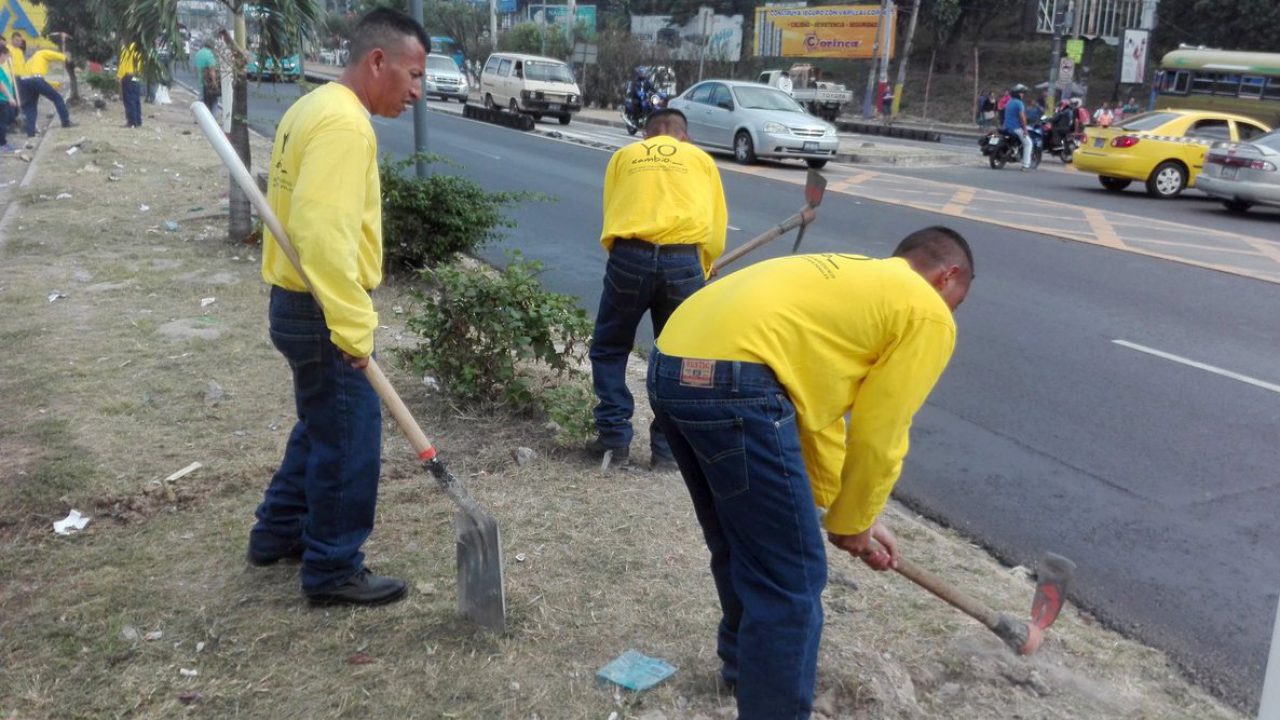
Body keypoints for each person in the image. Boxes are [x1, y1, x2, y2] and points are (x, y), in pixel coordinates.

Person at [647, 227, 974, 718]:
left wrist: (852, 513)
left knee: (740, 544)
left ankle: (746, 673)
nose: (949, 313)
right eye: (955, 303)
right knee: (790, 579)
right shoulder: (925, 311)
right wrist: (852, 521)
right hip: (735, 382)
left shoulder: (855, 281)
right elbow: (879, 432)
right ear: (947, 277)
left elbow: (814, 414)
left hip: (672, 365)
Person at [247, 7, 428, 607]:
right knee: (350, 441)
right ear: (377, 62)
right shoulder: (347, 125)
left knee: (324, 425)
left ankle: (277, 532)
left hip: (296, 302)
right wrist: (353, 328)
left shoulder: (313, 107)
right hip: (321, 308)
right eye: (413, 75)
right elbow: (322, 237)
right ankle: (331, 569)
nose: (417, 92)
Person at [586, 108, 727, 470]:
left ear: (645, 136)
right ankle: (667, 449)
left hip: (629, 256)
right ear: (685, 137)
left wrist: (625, 259)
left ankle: (614, 440)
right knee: (680, 356)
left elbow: (613, 210)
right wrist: (703, 266)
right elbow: (715, 226)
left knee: (610, 346)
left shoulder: (624, 156)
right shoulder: (700, 160)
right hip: (683, 262)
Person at [10, 32, 73, 137]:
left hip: (24, 83)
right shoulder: (42, 53)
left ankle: (30, 133)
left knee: (30, 107)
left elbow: (38, 80)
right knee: (57, 98)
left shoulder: (29, 62)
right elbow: (56, 57)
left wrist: (55, 84)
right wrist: (66, 58)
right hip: (35, 81)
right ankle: (65, 122)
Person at [1003, 83, 1033, 171]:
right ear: (1018, 94)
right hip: (1015, 128)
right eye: (1022, 93)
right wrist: (1025, 129)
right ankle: (1026, 165)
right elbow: (1022, 118)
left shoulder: (1009, 102)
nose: (1023, 95)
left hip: (1006, 127)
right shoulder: (1019, 103)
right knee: (1028, 144)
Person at [117, 42, 143, 128]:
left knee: (129, 99)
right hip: (137, 76)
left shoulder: (127, 48)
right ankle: (138, 120)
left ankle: (131, 122)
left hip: (128, 76)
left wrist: (119, 76)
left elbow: (123, 63)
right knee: (136, 99)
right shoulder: (140, 48)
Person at [193, 38, 220, 113]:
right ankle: (212, 117)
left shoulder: (198, 53)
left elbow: (195, 68)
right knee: (213, 100)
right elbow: (212, 70)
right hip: (208, 82)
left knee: (201, 98)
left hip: (200, 79)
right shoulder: (210, 54)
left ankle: (198, 115)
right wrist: (214, 82)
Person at [0, 45, 17, 151]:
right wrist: (10, 97)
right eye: (6, 56)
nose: (6, 59)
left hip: (3, 99)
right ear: (1, 54)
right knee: (2, 122)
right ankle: (2, 144)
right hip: (2, 100)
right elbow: (1, 84)